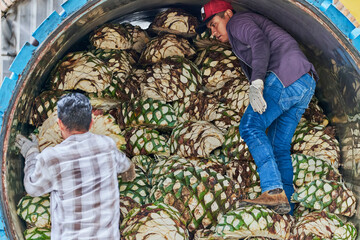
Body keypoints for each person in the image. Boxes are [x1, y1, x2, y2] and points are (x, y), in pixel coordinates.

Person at [197, 0, 318, 215]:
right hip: (305, 82)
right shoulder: (238, 33)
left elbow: (260, 42)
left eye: (214, 24)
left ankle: (272, 190)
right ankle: (286, 208)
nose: (213, 32)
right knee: (278, 145)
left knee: (250, 126)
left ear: (227, 14)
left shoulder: (238, 22)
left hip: (285, 76)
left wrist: (257, 82)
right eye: (209, 29)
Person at [15, 92, 135, 239]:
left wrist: (31, 153)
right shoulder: (107, 145)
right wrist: (128, 171)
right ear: (91, 122)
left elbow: (32, 187)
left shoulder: (52, 158)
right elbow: (125, 165)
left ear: (60, 124)